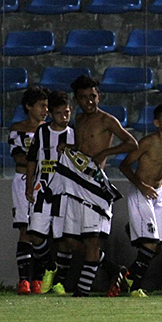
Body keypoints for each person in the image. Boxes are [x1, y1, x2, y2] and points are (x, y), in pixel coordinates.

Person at [54, 75, 138, 297]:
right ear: (77, 100)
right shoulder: (79, 120)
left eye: (92, 96)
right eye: (84, 98)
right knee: (70, 239)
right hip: (76, 182)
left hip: (95, 184)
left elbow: (132, 143)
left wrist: (106, 153)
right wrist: (68, 147)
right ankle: (112, 268)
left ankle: (82, 291)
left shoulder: (107, 120)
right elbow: (82, 146)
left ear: (99, 96)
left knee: (91, 239)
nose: (89, 101)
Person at [112, 104, 162, 297]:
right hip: (141, 191)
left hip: (158, 193)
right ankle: (135, 288)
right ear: (157, 123)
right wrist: (141, 185)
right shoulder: (148, 142)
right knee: (150, 243)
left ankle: (129, 275)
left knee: (160, 245)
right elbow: (124, 165)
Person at [23, 90, 74, 295]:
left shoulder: (73, 134)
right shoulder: (42, 132)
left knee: (64, 240)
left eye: (67, 112)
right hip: (43, 188)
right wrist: (29, 186)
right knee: (35, 235)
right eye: (60, 113)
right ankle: (50, 267)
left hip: (66, 191)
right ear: (52, 113)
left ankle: (59, 281)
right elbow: (32, 159)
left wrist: (70, 151)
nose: (64, 116)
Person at [9, 86, 48, 294]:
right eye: (41, 106)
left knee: (41, 231)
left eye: (47, 106)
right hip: (23, 179)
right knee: (24, 229)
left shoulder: (50, 130)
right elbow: (18, 156)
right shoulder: (18, 129)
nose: (45, 110)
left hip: (45, 182)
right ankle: (24, 280)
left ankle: (39, 279)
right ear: (29, 106)